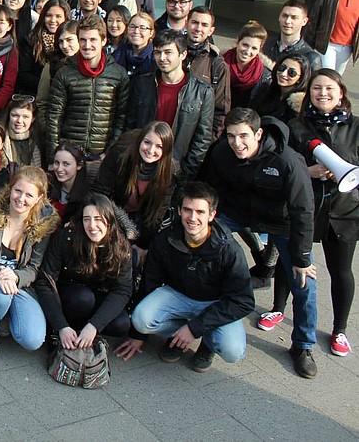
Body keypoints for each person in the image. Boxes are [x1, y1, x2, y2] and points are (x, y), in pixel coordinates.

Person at [198, 107, 318, 378]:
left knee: (304, 281)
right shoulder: (221, 153)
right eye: (231, 136)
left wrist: (302, 258)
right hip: (238, 212)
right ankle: (209, 337)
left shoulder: (287, 160)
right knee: (208, 256)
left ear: (258, 134)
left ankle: (303, 345)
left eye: (243, 136)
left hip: (281, 221)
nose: (236, 143)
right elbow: (208, 190)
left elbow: (303, 210)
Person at [115, 182, 253, 373]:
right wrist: (138, 335)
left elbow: (243, 301)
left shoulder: (229, 249)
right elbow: (150, 281)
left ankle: (207, 344)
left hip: (215, 303)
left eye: (200, 212)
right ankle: (177, 335)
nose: (193, 218)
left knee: (233, 351)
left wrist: (195, 328)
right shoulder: (166, 238)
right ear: (179, 211)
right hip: (178, 295)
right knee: (141, 319)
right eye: (187, 210)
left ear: (212, 215)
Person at [285, 69, 359, 357]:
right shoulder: (298, 126)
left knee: (341, 271)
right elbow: (286, 164)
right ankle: (279, 308)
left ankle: (339, 329)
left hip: (344, 211)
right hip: (307, 207)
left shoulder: (356, 127)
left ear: (341, 92)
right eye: (317, 88)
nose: (323, 93)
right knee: (290, 262)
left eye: (329, 88)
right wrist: (309, 171)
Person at [0, 166, 59, 364]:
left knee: (32, 339)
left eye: (29, 195)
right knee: (1, 294)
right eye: (18, 191)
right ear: (10, 189)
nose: (21, 198)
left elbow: (34, 268)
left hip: (19, 286)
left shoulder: (43, 224)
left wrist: (15, 276)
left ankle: (4, 315)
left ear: (39, 198)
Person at [36, 194, 133, 351]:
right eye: (87, 219)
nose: (92, 225)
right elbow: (44, 281)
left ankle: (85, 335)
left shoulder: (121, 245)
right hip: (71, 296)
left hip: (99, 296)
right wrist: (61, 326)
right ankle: (64, 334)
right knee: (83, 298)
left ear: (109, 221)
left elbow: (122, 290)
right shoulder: (66, 238)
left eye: (99, 219)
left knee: (121, 324)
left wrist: (94, 326)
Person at [125, 30, 215, 179]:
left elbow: (202, 139)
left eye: (168, 52)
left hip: (175, 170)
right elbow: (131, 126)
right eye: (157, 53)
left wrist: (184, 173)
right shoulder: (142, 84)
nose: (162, 58)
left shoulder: (202, 92)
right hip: (140, 164)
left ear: (183, 55)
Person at [46, 15, 129, 164]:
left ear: (103, 41)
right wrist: (55, 157)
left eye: (93, 40)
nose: (87, 45)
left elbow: (121, 118)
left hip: (101, 156)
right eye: (83, 40)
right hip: (69, 154)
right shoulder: (64, 73)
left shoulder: (118, 74)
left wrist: (109, 153)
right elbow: (54, 117)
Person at [92, 122, 179, 256]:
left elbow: (156, 214)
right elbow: (100, 191)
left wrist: (142, 245)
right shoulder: (120, 154)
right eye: (147, 142)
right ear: (140, 140)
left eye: (159, 146)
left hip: (141, 216)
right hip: (112, 206)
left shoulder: (169, 172)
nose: (150, 150)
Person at [183, 6, 231, 134]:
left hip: (195, 137)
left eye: (204, 25)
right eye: (194, 22)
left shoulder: (218, 65)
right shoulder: (171, 54)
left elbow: (221, 111)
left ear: (211, 31)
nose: (198, 28)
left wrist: (205, 144)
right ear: (186, 24)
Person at [306, 0, 359, 73]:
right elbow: (314, 18)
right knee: (328, 73)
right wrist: (310, 42)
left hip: (347, 47)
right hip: (327, 44)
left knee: (337, 77)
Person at [263, 0, 322, 71]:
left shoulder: (311, 57)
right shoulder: (264, 45)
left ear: (304, 21)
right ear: (279, 17)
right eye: (285, 16)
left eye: (294, 17)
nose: (287, 21)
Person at [250, 54, 310, 124]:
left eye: (292, 72)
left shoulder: (299, 106)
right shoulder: (266, 90)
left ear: (300, 79)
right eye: (282, 67)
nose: (283, 74)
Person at [224, 20, 270, 109]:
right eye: (245, 45)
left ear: (259, 50)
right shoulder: (219, 63)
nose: (248, 51)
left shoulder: (265, 76)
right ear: (237, 42)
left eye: (254, 48)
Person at [48, 143, 89, 221]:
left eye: (66, 164)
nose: (59, 169)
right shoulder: (48, 185)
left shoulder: (86, 196)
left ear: (79, 165)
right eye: (56, 163)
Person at [113, 11, 156, 79]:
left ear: (151, 33)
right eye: (132, 27)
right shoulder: (117, 54)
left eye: (142, 28)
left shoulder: (155, 59)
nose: (136, 31)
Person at [5, 95, 43, 167]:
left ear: (33, 119)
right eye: (15, 115)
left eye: (25, 117)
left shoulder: (39, 141)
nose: (19, 121)